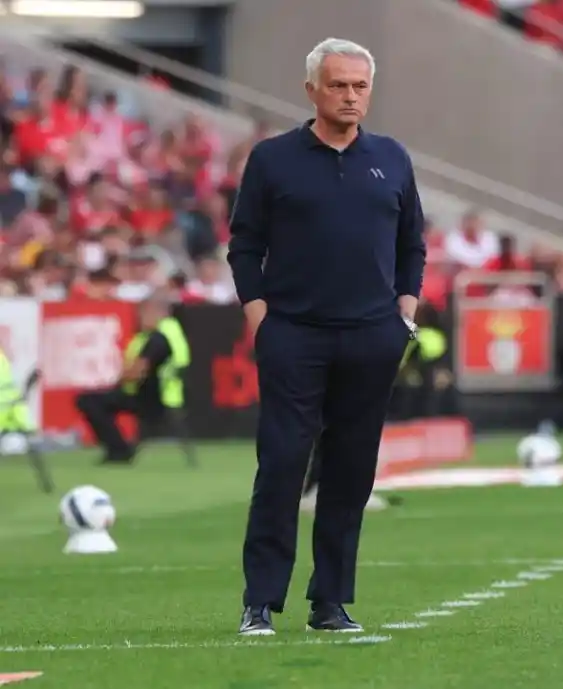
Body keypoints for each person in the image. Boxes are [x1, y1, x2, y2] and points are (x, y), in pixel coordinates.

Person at [227, 38, 426, 636]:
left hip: (372, 337)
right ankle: (260, 601)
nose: (350, 96)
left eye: (360, 86)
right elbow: (244, 245)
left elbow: (411, 245)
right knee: (283, 464)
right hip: (293, 335)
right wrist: (261, 317)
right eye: (338, 85)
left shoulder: (391, 158)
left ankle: (331, 601)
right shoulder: (272, 158)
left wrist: (404, 316)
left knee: (350, 472)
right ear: (312, 88)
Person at [75, 297, 191, 464]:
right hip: (168, 398)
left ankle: (119, 451)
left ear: (156, 313)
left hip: (151, 400)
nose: (140, 319)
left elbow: (137, 373)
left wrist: (118, 380)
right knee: (97, 400)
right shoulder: (172, 334)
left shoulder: (157, 339)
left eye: (142, 314)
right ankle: (119, 448)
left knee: (88, 401)